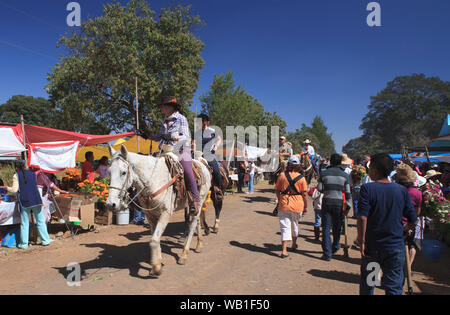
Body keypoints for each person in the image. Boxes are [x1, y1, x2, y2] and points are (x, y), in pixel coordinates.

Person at [357, 153, 418, 295]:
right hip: (395, 247)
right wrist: (405, 229)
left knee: (370, 283)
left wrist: (362, 241)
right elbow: (413, 220)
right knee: (393, 286)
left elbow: (362, 218)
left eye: (370, 168)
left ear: (375, 170)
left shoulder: (368, 189)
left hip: (373, 248)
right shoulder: (402, 190)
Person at [137, 96, 200, 215]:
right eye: (161, 106)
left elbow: (185, 136)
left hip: (181, 149)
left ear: (171, 106)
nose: (161, 108)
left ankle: (194, 201)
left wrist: (171, 137)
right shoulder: (165, 120)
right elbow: (161, 136)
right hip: (165, 149)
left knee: (187, 171)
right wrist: (147, 136)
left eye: (163, 106)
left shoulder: (181, 118)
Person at [3, 160, 52, 249]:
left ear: (16, 167)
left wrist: (6, 187)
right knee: (40, 221)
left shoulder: (16, 175)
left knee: (24, 223)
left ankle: (24, 244)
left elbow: (14, 190)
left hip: (25, 201)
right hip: (36, 199)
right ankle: (45, 240)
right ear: (25, 165)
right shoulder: (33, 174)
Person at [317, 153, 351, 261]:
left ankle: (327, 253)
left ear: (330, 161)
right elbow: (347, 192)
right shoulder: (344, 175)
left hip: (327, 202)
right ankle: (335, 246)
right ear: (340, 162)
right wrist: (348, 207)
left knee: (326, 227)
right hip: (339, 203)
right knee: (337, 227)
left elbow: (320, 188)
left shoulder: (323, 173)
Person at [393, 164, 424, 271]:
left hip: (392, 224)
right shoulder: (417, 193)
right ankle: (404, 271)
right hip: (407, 226)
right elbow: (417, 212)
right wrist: (409, 226)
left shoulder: (393, 190)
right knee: (407, 247)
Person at [275, 156, 308, 258]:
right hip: (298, 204)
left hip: (284, 203)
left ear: (288, 165)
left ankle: (284, 250)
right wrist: (305, 206)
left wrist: (279, 199)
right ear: (298, 166)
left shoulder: (282, 175)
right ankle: (293, 244)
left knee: (285, 227)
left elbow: (277, 189)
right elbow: (305, 194)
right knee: (294, 225)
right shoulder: (302, 178)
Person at [196, 114, 223, 200]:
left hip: (209, 154)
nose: (201, 124)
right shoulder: (197, 132)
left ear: (207, 122)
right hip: (198, 153)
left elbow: (219, 139)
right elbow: (194, 142)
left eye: (203, 122)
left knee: (216, 170)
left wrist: (215, 147)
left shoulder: (212, 131)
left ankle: (218, 189)